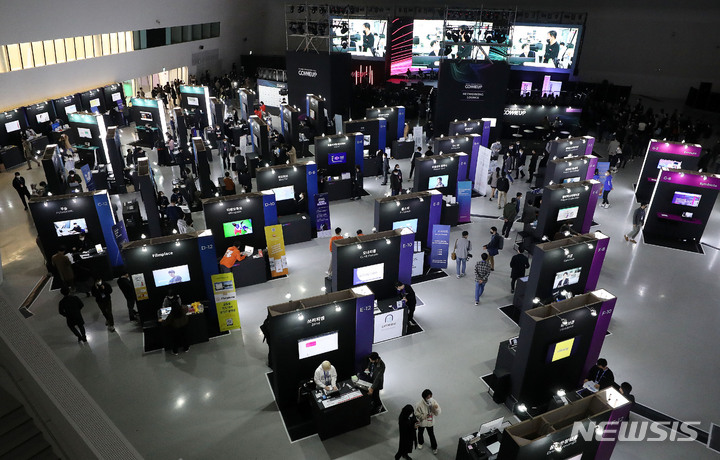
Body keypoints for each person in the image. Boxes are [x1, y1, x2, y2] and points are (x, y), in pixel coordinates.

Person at [415, 389, 441, 454]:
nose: (430, 398)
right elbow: (416, 414)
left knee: (431, 434)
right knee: (420, 433)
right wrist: (424, 416)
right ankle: (420, 442)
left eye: (430, 396)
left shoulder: (433, 401)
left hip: (430, 422)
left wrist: (436, 408)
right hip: (422, 422)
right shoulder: (419, 404)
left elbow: (437, 413)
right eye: (428, 397)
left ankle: (434, 447)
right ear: (424, 397)